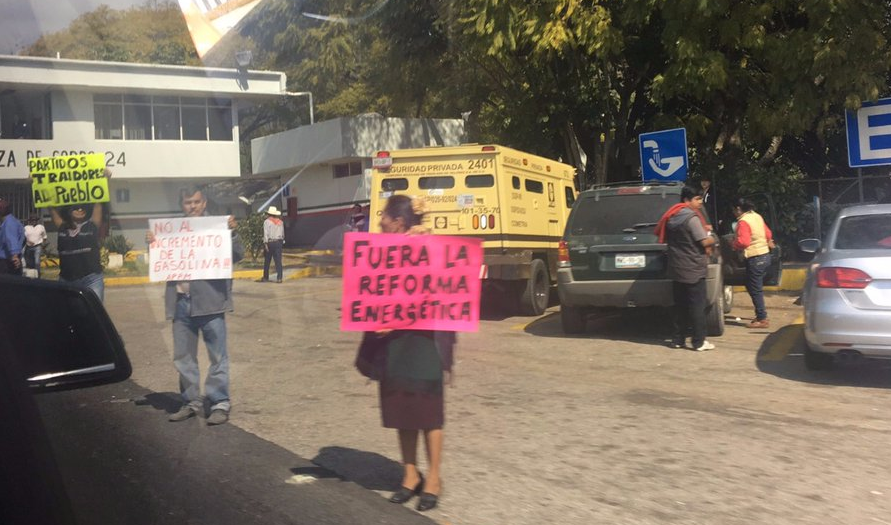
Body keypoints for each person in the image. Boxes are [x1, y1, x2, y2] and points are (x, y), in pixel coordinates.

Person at [365, 195, 454, 512]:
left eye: (383, 218)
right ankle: (409, 474)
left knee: (429, 410)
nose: (379, 223)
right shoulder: (378, 250)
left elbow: (448, 280)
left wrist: (428, 239)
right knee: (401, 405)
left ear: (398, 221)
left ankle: (434, 479)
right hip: (393, 342)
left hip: (424, 340)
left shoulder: (428, 245)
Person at [148, 186, 243, 426]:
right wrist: (153, 243)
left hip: (211, 303)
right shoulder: (171, 230)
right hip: (180, 303)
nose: (192, 206)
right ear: (183, 205)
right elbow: (160, 261)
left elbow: (237, 254)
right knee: (183, 357)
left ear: (204, 203)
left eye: (196, 202)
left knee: (217, 356)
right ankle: (191, 401)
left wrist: (232, 234)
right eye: (187, 202)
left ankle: (219, 402)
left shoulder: (217, 227)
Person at [655, 185, 717, 351]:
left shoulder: (672, 217)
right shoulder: (691, 218)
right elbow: (703, 241)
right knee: (697, 306)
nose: (700, 203)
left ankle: (678, 339)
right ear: (686, 200)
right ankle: (699, 341)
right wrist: (713, 239)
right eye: (697, 199)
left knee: (680, 306)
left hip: (677, 268)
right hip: (693, 268)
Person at [731, 197, 775, 329]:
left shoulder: (743, 222)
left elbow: (744, 242)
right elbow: (768, 233)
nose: (733, 213)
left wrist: (733, 244)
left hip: (755, 257)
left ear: (738, 209)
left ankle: (762, 318)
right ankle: (760, 314)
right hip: (765, 255)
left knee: (755, 289)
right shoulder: (756, 216)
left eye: (733, 210)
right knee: (752, 286)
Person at [50, 201, 107, 300]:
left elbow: (98, 204)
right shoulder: (62, 226)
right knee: (69, 313)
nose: (80, 209)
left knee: (94, 312)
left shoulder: (92, 225)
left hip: (92, 279)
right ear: (69, 210)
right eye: (76, 207)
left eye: (83, 207)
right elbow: (51, 207)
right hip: (67, 280)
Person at [0, 197, 25, 275]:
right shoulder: (12, 221)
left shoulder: (9, 223)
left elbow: (11, 239)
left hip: (8, 262)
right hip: (9, 260)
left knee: (8, 285)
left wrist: (14, 256)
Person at [261, 206, 284, 283]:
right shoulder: (280, 222)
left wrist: (265, 244)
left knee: (267, 261)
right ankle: (279, 278)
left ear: (269, 214)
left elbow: (266, 234)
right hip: (278, 242)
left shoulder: (266, 222)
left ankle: (265, 277)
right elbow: (282, 234)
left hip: (270, 243)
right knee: (278, 261)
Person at [23, 213, 47, 277]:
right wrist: (28, 241)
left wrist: (42, 245)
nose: (34, 221)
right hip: (28, 246)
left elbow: (44, 237)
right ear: (30, 221)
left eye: (35, 220)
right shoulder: (26, 228)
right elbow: (23, 237)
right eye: (32, 220)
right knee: (29, 261)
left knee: (37, 261)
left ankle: (38, 274)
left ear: (37, 220)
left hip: (37, 246)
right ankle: (30, 274)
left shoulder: (41, 227)